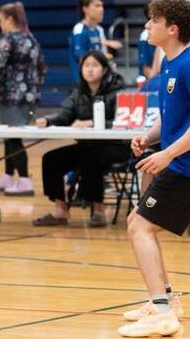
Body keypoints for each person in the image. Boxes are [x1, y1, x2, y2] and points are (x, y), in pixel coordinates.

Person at [118, 0, 190, 338]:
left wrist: (168, 155)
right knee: (138, 222)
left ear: (172, 29)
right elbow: (175, 115)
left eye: (153, 20)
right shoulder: (169, 64)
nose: (147, 26)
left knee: (140, 227)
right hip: (183, 160)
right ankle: (166, 301)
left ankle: (161, 311)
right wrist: (149, 138)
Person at [32, 51, 128, 228]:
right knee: (51, 158)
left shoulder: (118, 91)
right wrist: (48, 120)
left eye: (94, 65)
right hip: (88, 145)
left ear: (105, 69)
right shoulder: (78, 91)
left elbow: (123, 120)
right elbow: (65, 114)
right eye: (86, 66)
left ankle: (98, 210)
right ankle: (61, 209)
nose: (90, 70)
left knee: (92, 157)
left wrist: (92, 123)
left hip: (116, 146)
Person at [0, 2, 46, 197]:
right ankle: (9, 175)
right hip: (30, 95)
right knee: (10, 135)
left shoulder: (7, 39)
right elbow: (42, 67)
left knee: (13, 137)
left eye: (1, 20)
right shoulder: (31, 39)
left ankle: (25, 180)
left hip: (11, 96)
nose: (0, 25)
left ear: (10, 19)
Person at [69, 0, 120, 84]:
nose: (102, 9)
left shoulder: (98, 30)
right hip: (85, 84)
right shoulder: (80, 31)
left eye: (102, 6)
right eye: (97, 6)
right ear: (85, 9)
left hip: (99, 82)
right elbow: (82, 60)